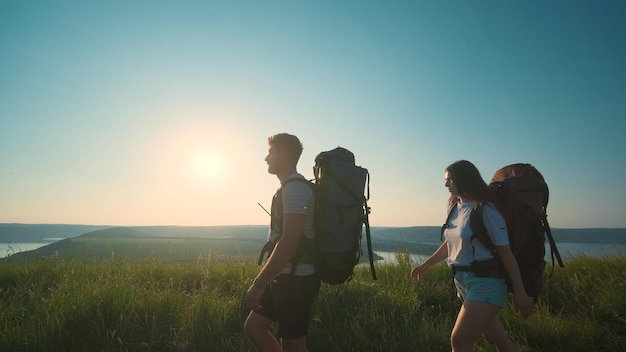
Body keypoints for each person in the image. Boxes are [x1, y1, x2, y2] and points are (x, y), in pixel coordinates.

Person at [410, 160, 533, 352]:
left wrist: (520, 291)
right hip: (463, 283)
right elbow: (449, 245)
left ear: (464, 179)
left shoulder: (486, 210)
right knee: (497, 339)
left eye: (450, 180)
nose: (446, 185)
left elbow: (505, 253)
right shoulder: (455, 207)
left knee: (459, 341)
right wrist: (425, 265)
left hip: (486, 284)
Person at [244, 133, 320, 352]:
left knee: (293, 346)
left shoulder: (295, 189)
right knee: (254, 328)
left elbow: (289, 241)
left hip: (296, 281)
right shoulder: (289, 187)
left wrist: (259, 283)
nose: (266, 158)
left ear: (284, 154)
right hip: (284, 276)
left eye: (270, 152)